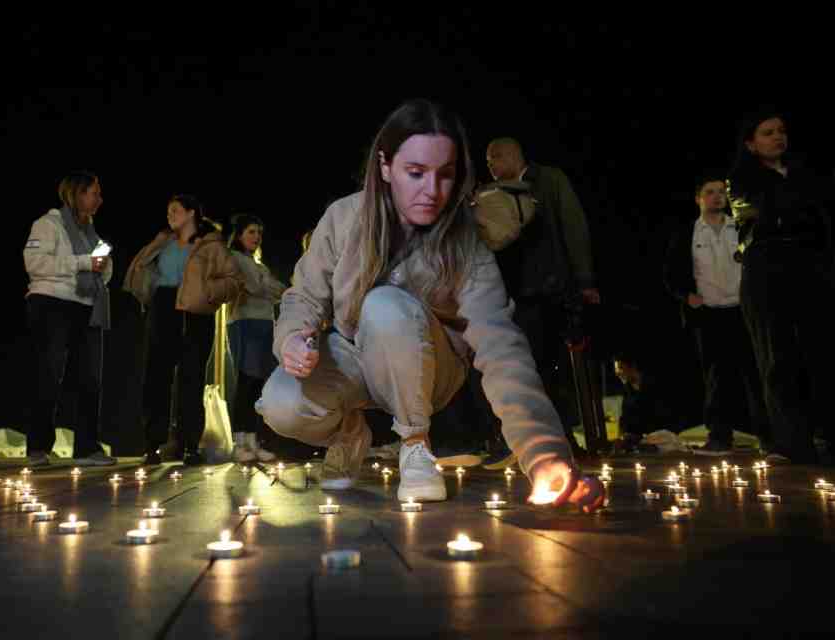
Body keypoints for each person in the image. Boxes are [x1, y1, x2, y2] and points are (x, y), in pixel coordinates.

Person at [256, 99, 599, 511]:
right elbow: (304, 295)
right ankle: (348, 436)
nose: (432, 192)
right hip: (355, 356)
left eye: (445, 175)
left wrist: (544, 455)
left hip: (430, 368)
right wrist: (294, 337)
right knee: (280, 402)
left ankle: (416, 445)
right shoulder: (343, 218)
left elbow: (500, 345)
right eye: (415, 173)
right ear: (385, 166)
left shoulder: (464, 243)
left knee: (385, 305)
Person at [473, 137, 600, 466]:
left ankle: (561, 438)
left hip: (550, 289)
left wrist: (584, 280)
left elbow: (573, 226)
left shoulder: (549, 180)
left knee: (549, 367)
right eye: (487, 161)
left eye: (495, 157)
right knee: (516, 365)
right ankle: (518, 438)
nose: (491, 165)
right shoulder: (490, 194)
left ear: (514, 154)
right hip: (511, 292)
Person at [727, 110, 835, 464]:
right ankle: (792, 442)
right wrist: (789, 212)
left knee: (820, 354)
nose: (777, 137)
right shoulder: (743, 179)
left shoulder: (804, 174)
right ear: (751, 143)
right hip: (767, 276)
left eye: (781, 131)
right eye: (768, 132)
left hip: (810, 271)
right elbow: (763, 219)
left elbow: (815, 220)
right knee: (778, 357)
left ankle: (826, 435)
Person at [124, 195, 242, 466]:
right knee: (156, 377)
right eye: (167, 211)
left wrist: (208, 293)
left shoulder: (211, 244)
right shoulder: (162, 241)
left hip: (195, 312)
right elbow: (139, 268)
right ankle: (152, 444)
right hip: (163, 308)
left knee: (191, 379)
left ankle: (190, 445)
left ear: (191, 213)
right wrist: (147, 287)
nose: (170, 215)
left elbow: (234, 280)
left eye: (175, 210)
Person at [664, 173, 769, 456]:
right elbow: (671, 272)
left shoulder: (742, 228)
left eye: (722, 191)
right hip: (709, 314)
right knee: (717, 378)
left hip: (743, 310)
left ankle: (769, 437)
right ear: (699, 198)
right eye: (710, 192)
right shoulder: (689, 233)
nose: (717, 196)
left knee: (756, 375)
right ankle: (720, 437)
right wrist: (687, 296)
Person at [23, 171, 115, 466]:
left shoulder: (91, 232)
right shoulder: (48, 224)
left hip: (86, 305)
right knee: (48, 374)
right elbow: (35, 263)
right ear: (75, 194)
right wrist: (84, 262)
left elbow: (104, 271)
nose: (99, 199)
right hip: (51, 304)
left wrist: (103, 266)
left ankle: (87, 446)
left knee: (91, 378)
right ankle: (38, 446)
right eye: (94, 193)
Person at [227, 214, 287, 463]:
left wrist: (264, 283)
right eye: (251, 232)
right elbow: (254, 286)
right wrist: (264, 285)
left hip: (264, 324)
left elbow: (279, 291)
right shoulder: (234, 259)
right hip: (243, 322)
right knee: (245, 379)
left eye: (259, 233)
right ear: (239, 234)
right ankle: (239, 442)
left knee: (258, 383)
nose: (256, 237)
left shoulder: (259, 265)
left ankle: (253, 441)